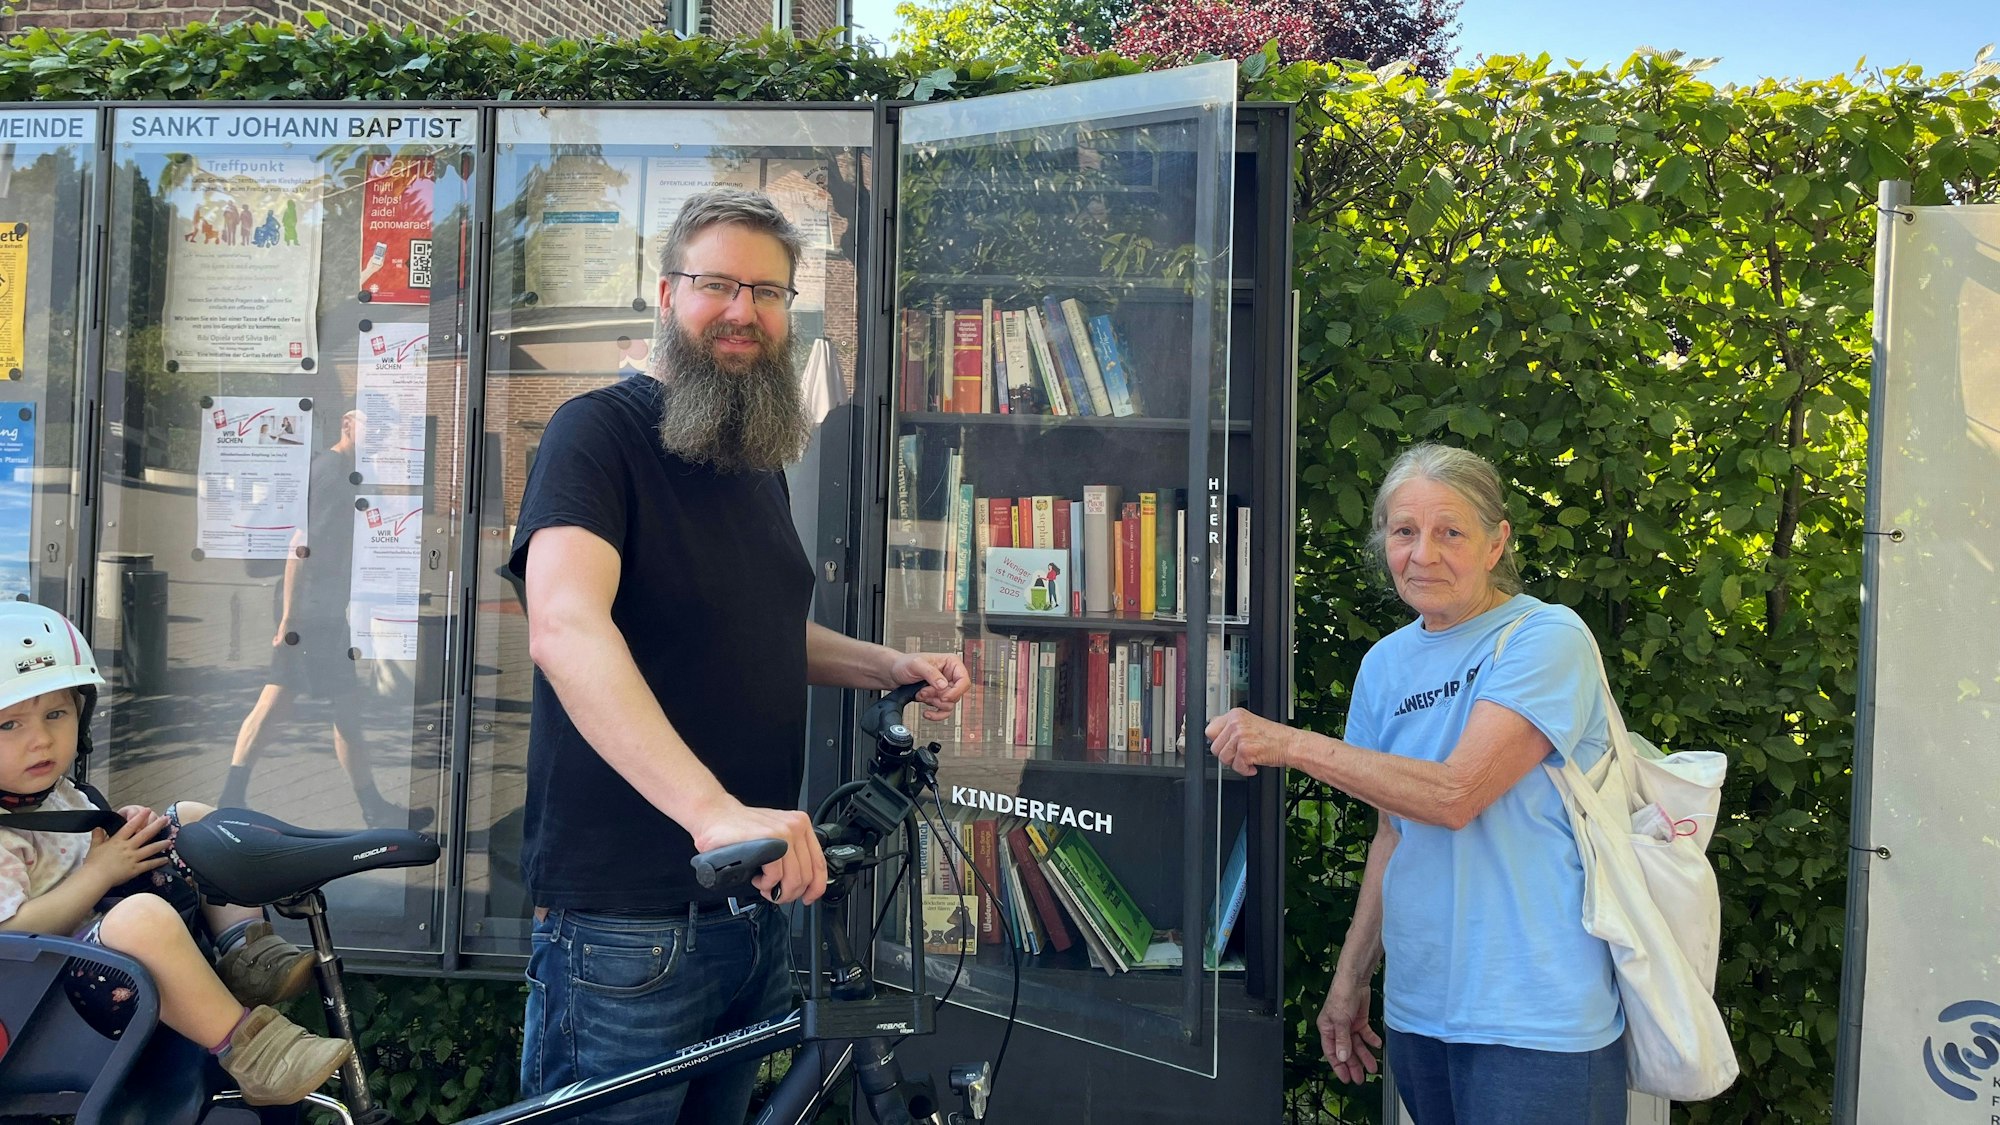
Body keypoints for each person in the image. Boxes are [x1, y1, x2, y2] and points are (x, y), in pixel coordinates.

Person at [510, 187, 968, 1125]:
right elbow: (564, 623)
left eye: (767, 292)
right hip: (629, 920)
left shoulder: (748, 454)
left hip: (750, 909)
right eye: (717, 284)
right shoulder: (595, 433)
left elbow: (752, 627)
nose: (742, 310)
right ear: (668, 291)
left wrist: (888, 666)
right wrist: (714, 813)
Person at [1206, 443, 1625, 1125]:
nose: (1423, 553)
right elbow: (1393, 833)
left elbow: (1455, 794)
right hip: (1423, 1013)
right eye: (1404, 531)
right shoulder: (1385, 664)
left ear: (1496, 543)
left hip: (1536, 1019)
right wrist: (1350, 979)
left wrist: (1289, 743)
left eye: (1449, 531)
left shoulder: (1546, 638)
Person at [0, 602, 350, 1107]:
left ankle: (248, 953)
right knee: (138, 915)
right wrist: (100, 873)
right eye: (10, 725)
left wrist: (123, 829)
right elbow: (9, 938)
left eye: (56, 714)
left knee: (189, 817)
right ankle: (253, 1053)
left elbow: (77, 849)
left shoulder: (61, 795)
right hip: (45, 1011)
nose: (41, 739)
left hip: (101, 971)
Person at [221, 410, 432, 830]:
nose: (382, 438)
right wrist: (289, 618)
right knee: (277, 702)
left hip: (325, 611)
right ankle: (230, 799)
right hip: (311, 612)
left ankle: (372, 808)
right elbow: (300, 547)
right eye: (375, 428)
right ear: (348, 425)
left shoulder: (347, 472)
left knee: (339, 707)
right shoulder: (333, 474)